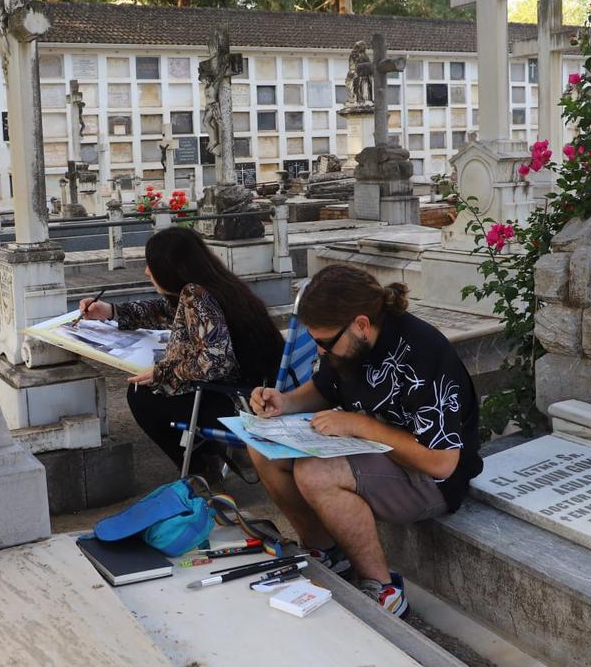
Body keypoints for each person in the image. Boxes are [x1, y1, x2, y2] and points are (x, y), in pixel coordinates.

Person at [248, 265, 482, 617]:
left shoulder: (421, 352)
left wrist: (359, 425)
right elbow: (325, 388)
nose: (322, 352)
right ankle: (325, 553)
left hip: (430, 480)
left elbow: (441, 462)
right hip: (375, 453)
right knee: (262, 449)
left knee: (316, 473)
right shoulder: (350, 344)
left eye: (325, 342)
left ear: (360, 324)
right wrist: (286, 403)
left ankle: (384, 590)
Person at [78, 226, 283, 477]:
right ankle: (206, 458)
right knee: (151, 388)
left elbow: (216, 361)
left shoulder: (197, 296)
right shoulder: (215, 285)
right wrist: (110, 311)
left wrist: (163, 371)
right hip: (256, 390)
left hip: (238, 402)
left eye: (150, 264)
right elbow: (165, 311)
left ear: (169, 267)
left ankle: (200, 471)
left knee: (141, 395)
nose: (146, 271)